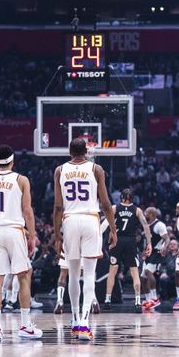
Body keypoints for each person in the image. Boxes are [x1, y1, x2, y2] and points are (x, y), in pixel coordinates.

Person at [0, 144, 42, 341]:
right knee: (23, 276)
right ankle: (25, 326)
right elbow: (28, 211)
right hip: (15, 230)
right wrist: (32, 236)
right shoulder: (21, 179)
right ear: (13, 160)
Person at [53, 137, 117, 341]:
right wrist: (113, 229)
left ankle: (74, 319)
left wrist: (56, 235)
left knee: (72, 274)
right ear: (87, 151)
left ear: (69, 151)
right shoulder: (96, 169)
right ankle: (84, 323)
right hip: (90, 219)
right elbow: (106, 204)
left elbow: (57, 207)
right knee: (89, 274)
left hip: (69, 220)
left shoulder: (60, 170)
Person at [104, 188, 152, 311]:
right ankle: (137, 301)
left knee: (112, 271)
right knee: (134, 271)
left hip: (118, 241)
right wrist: (149, 243)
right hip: (130, 241)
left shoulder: (115, 208)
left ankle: (107, 299)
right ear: (133, 198)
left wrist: (111, 235)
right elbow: (146, 227)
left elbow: (109, 224)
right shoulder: (137, 210)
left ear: (121, 197)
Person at [141, 207, 170, 310]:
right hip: (149, 253)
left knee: (148, 271)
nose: (144, 215)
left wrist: (165, 248)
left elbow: (167, 238)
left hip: (157, 253)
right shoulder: (147, 225)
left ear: (152, 215)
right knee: (143, 278)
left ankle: (155, 298)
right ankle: (148, 299)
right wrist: (144, 252)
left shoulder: (159, 225)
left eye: (146, 213)